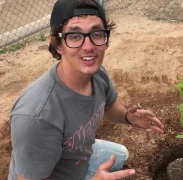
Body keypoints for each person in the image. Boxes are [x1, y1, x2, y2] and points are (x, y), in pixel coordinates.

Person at [8, 0, 165, 179]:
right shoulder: (37, 116)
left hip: (75, 154)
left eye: (96, 34)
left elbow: (108, 106)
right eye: (75, 36)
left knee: (121, 154)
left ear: (106, 39)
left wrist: (127, 117)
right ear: (58, 44)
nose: (89, 47)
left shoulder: (97, 74)